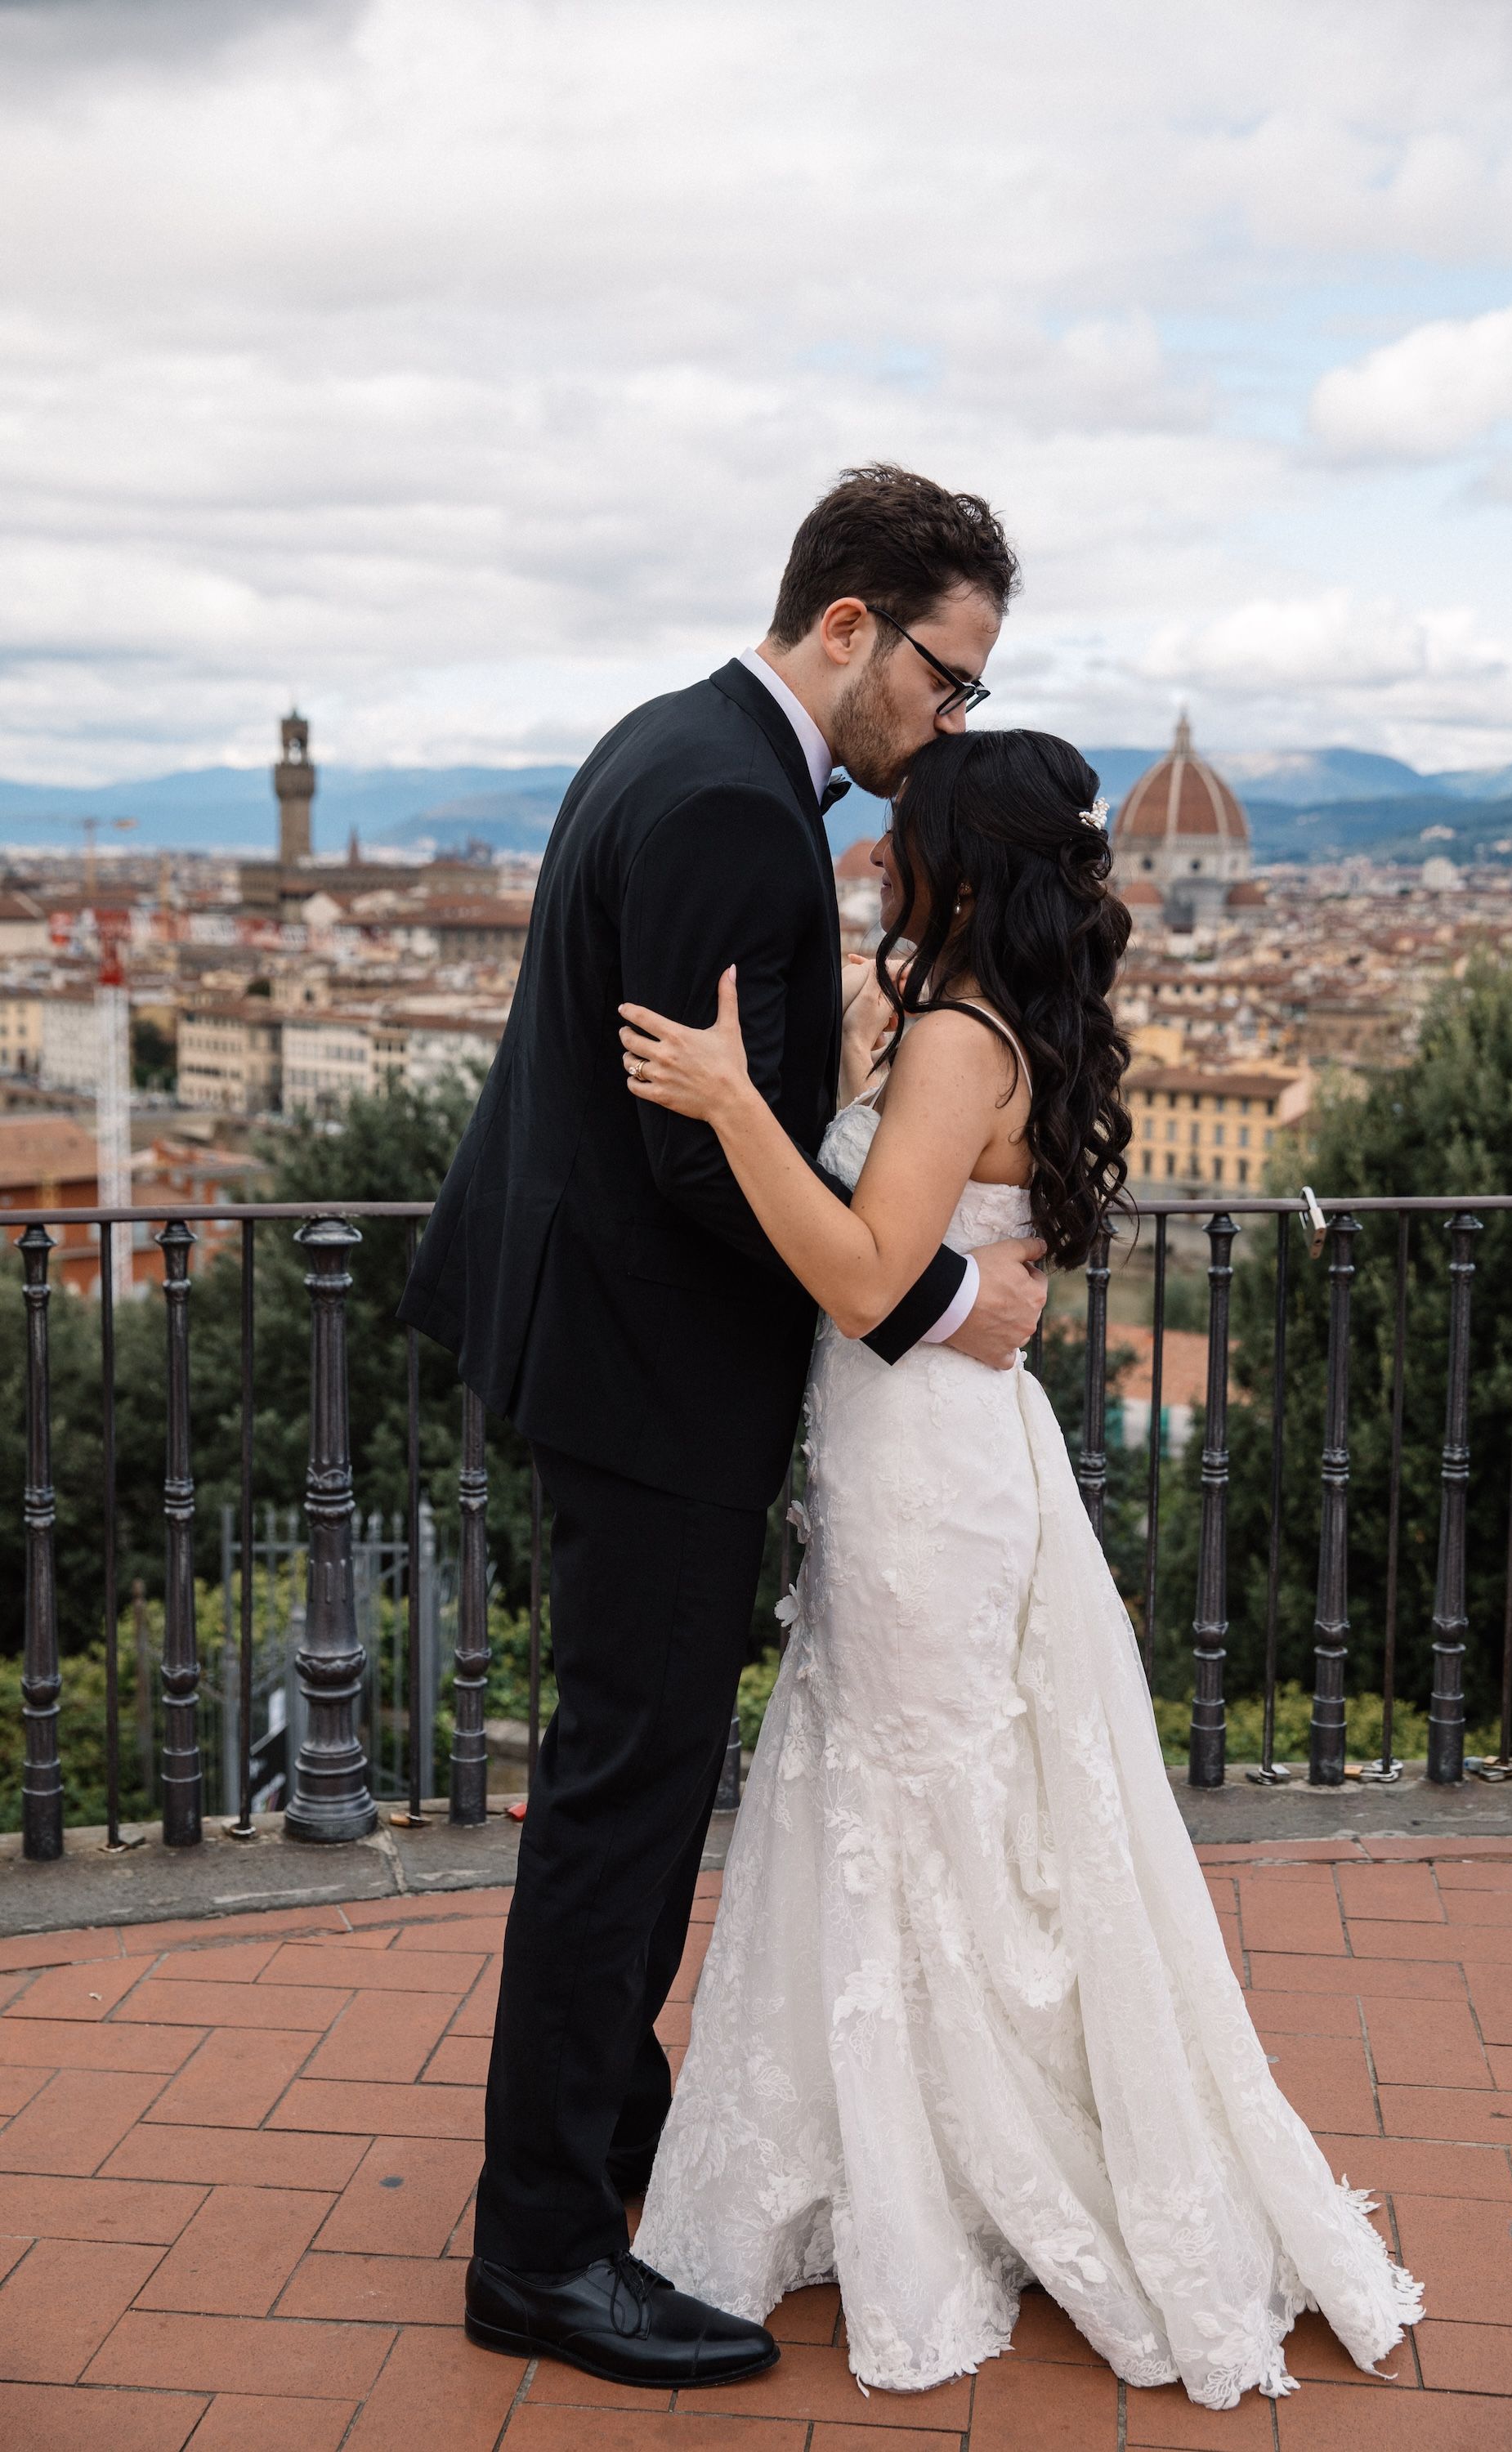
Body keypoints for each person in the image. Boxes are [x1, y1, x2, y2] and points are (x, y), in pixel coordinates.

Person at [620, 727, 1423, 2407]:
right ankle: (919, 2139)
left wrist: (730, 1105)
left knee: (912, 1796)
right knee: (931, 1796)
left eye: (899, 837)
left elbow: (857, 1274)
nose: (876, 855)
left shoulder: (956, 1044)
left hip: (919, 1466)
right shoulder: (985, 1025)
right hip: (943, 1456)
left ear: (955, 867)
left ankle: (955, 2165)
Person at [398, 465, 1050, 2389]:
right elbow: (708, 1161)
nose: (947, 725)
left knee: (624, 1778)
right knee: (625, 1807)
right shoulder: (727, 806)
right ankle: (540, 2255)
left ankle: (609, 2138)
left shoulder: (671, 746)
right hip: (651, 1375)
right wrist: (934, 1299)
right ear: (848, 626)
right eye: (945, 678)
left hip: (598, 1349)